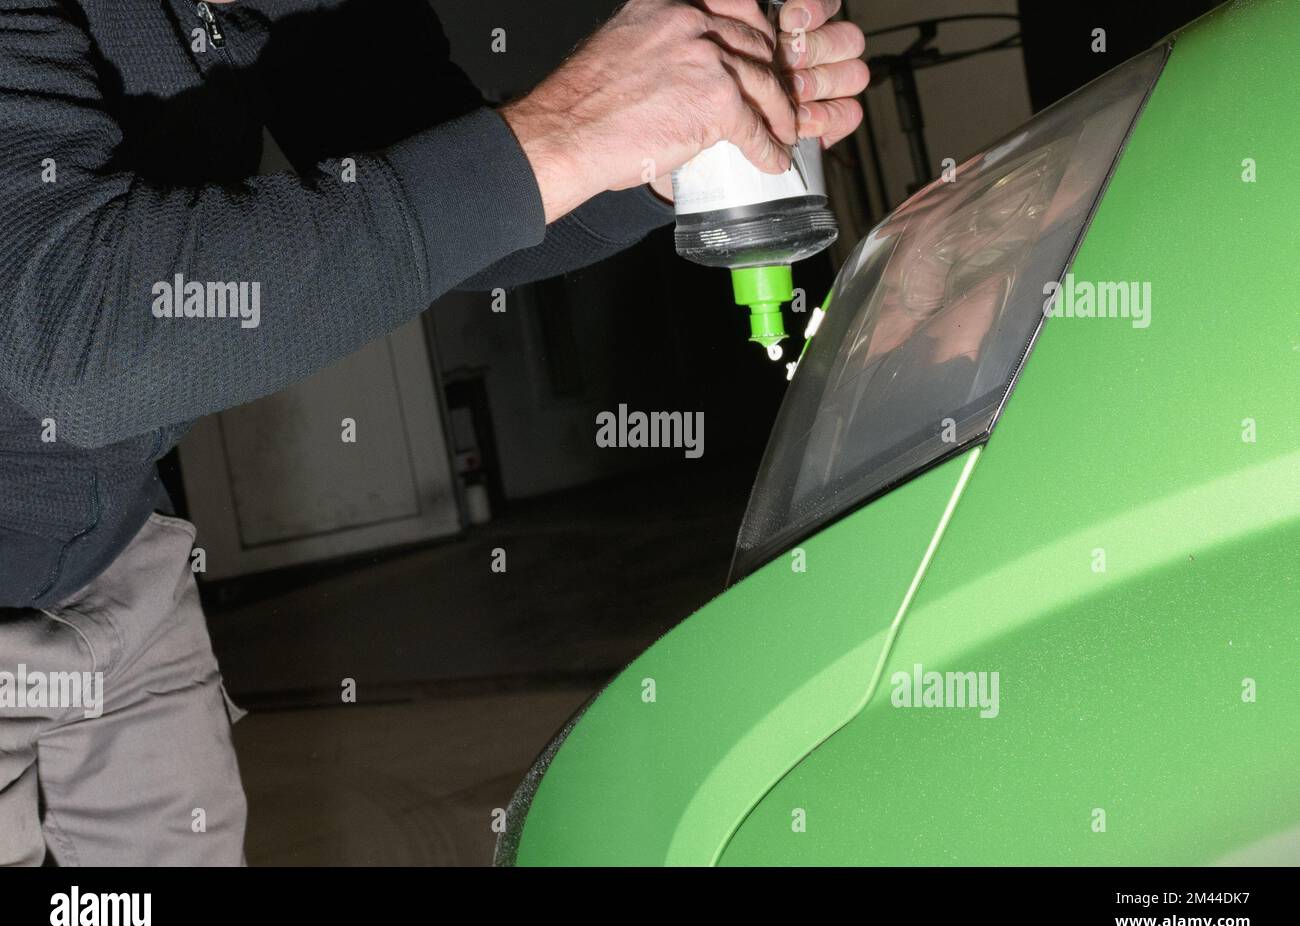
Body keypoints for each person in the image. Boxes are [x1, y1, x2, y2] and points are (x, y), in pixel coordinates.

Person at [0, 0, 868, 865]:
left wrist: (647, 154)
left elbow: (465, 194)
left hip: (117, 547)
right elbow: (79, 335)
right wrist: (561, 131)